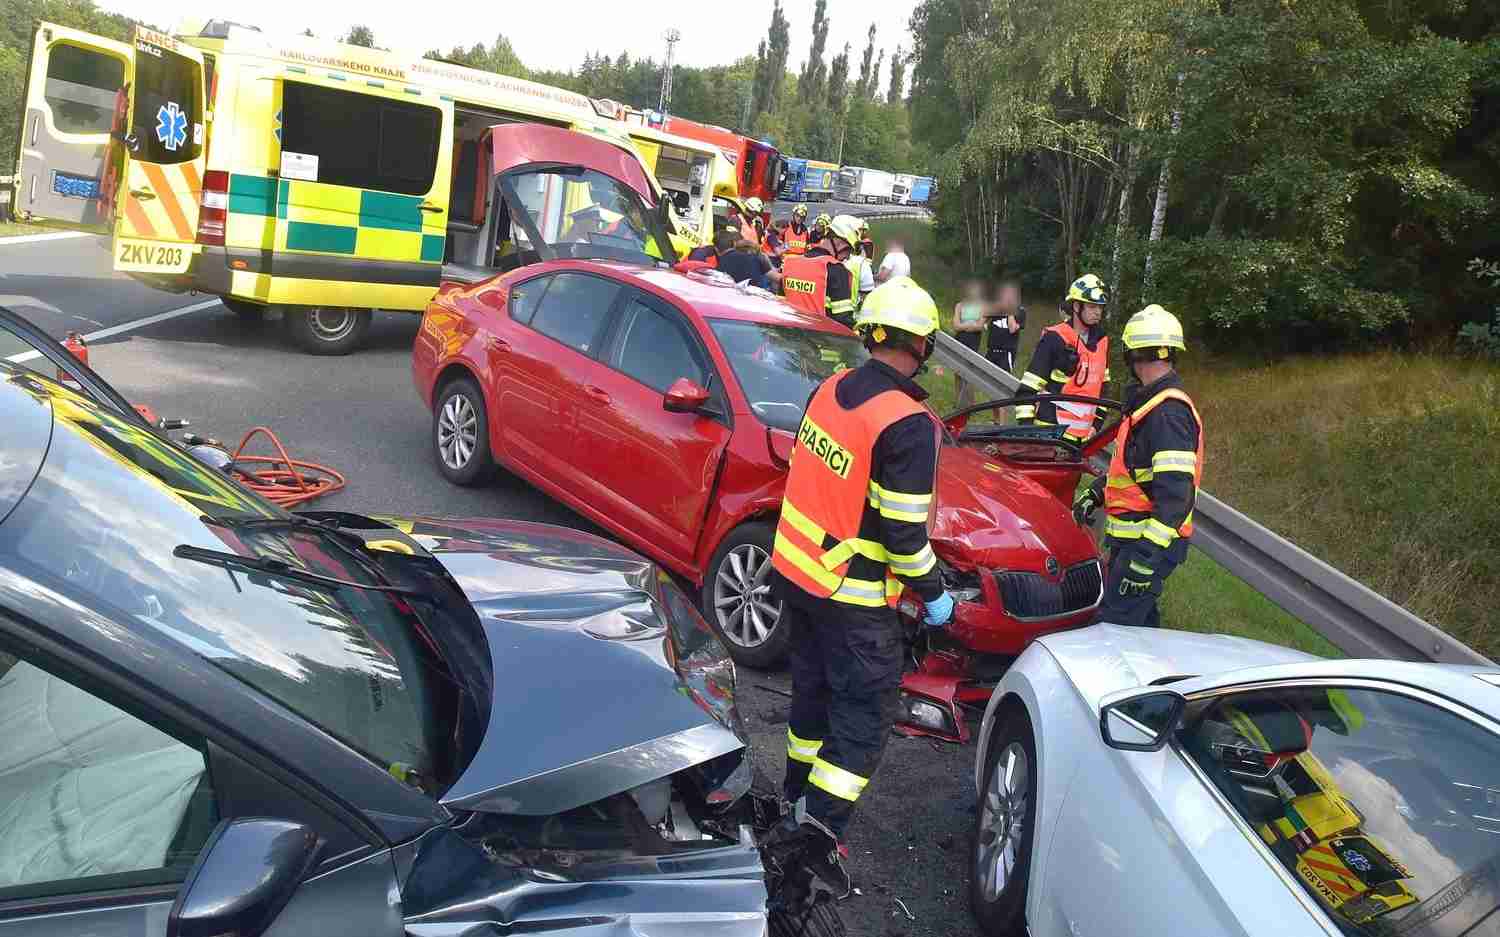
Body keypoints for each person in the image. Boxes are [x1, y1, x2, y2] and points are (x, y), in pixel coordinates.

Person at [768, 275, 953, 894]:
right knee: (860, 725)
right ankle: (811, 843)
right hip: (854, 598)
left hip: (800, 578)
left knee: (811, 703)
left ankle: (794, 802)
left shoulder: (829, 388)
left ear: (871, 332)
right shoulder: (907, 422)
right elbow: (903, 534)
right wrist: (934, 594)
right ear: (923, 346)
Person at [1073, 304, 1202, 628]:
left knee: (1113, 628)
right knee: (1140, 626)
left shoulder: (1167, 414)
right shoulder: (1149, 405)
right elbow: (1132, 470)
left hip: (1148, 545)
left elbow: (1175, 498)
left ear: (1134, 356)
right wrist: (1097, 493)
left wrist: (1144, 561)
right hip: (1135, 541)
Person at [1016, 273, 1110, 441]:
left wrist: (1096, 427)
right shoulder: (1055, 338)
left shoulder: (1102, 342)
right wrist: (1027, 432)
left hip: (1082, 439)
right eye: (1092, 306)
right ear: (1076, 306)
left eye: (1101, 307)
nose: (1098, 312)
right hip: (1049, 434)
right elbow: (1027, 391)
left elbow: (1103, 390)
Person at [780, 214, 859, 326]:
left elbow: (780, 304)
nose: (847, 257)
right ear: (840, 243)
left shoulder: (789, 264)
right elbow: (843, 320)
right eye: (849, 251)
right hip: (818, 339)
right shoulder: (836, 269)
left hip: (787, 336)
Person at [951, 279, 990, 407]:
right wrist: (969, 324)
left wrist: (965, 325)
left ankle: (971, 403)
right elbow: (955, 325)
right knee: (957, 371)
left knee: (969, 372)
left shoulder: (983, 306)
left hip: (973, 340)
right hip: (960, 338)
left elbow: (980, 326)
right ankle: (957, 401)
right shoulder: (959, 305)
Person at [984, 279, 1026, 374]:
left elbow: (1012, 329)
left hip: (1006, 353)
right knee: (984, 377)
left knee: (1002, 381)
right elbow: (983, 318)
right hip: (991, 350)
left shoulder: (1020, 311)